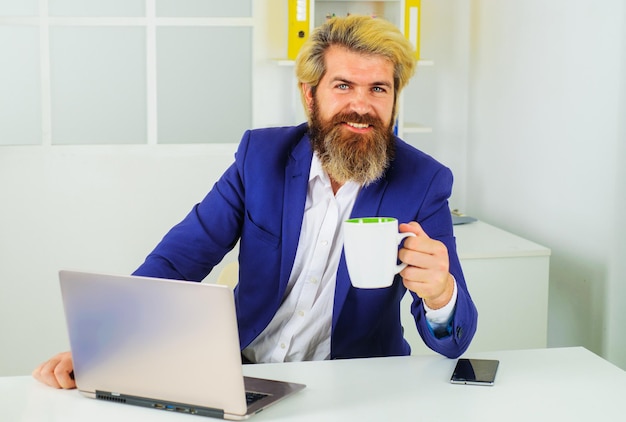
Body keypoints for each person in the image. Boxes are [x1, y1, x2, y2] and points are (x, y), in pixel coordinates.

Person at [33, 15, 477, 389]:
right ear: (310, 95)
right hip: (241, 375)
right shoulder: (260, 158)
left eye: (379, 89)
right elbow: (178, 261)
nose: (361, 105)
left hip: (353, 383)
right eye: (343, 85)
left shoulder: (423, 181)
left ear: (395, 99)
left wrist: (441, 295)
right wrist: (103, 345)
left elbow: (454, 341)